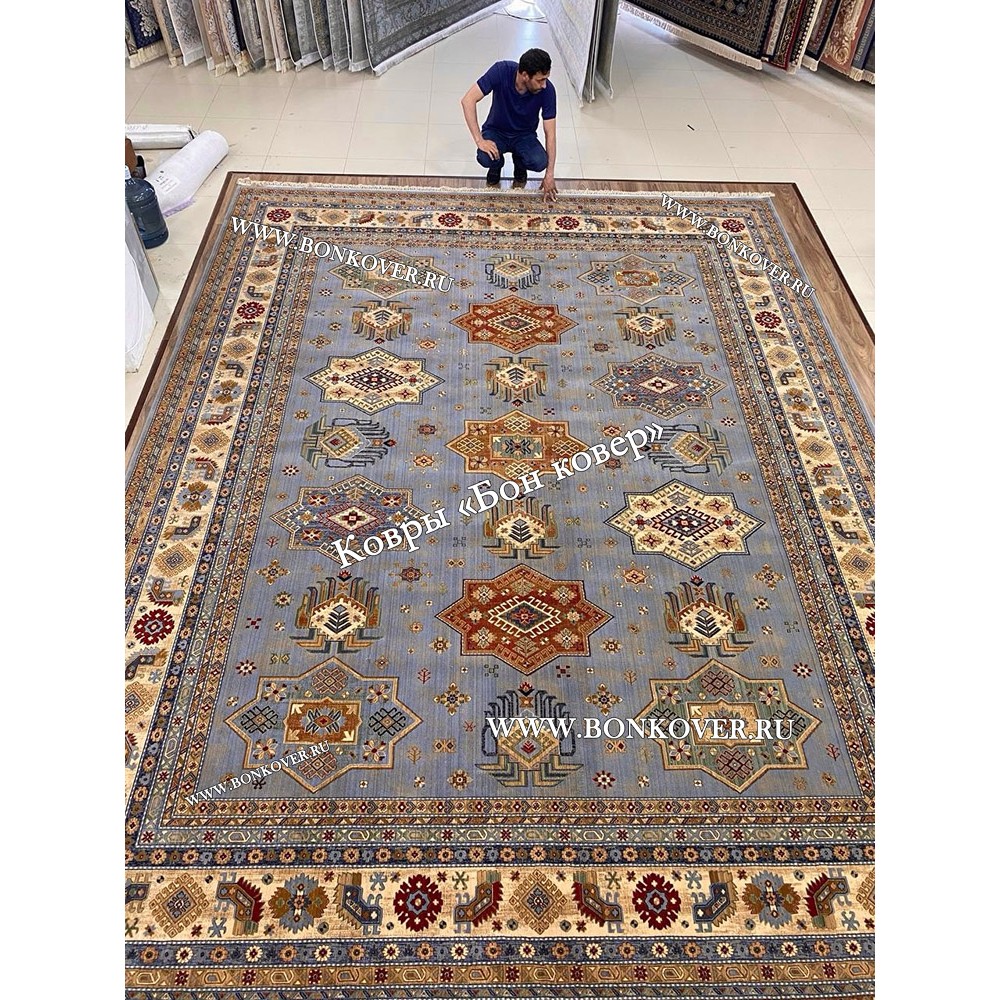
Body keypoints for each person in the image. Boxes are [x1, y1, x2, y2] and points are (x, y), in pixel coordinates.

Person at [460, 48, 559, 201]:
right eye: (540, 80)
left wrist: (550, 174)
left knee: (540, 162)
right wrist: (480, 141)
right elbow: (468, 100)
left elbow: (550, 134)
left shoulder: (548, 91)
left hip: (524, 135)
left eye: (546, 79)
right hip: (496, 131)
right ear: (525, 75)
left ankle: (520, 166)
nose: (544, 85)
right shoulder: (501, 71)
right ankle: (496, 166)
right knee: (485, 157)